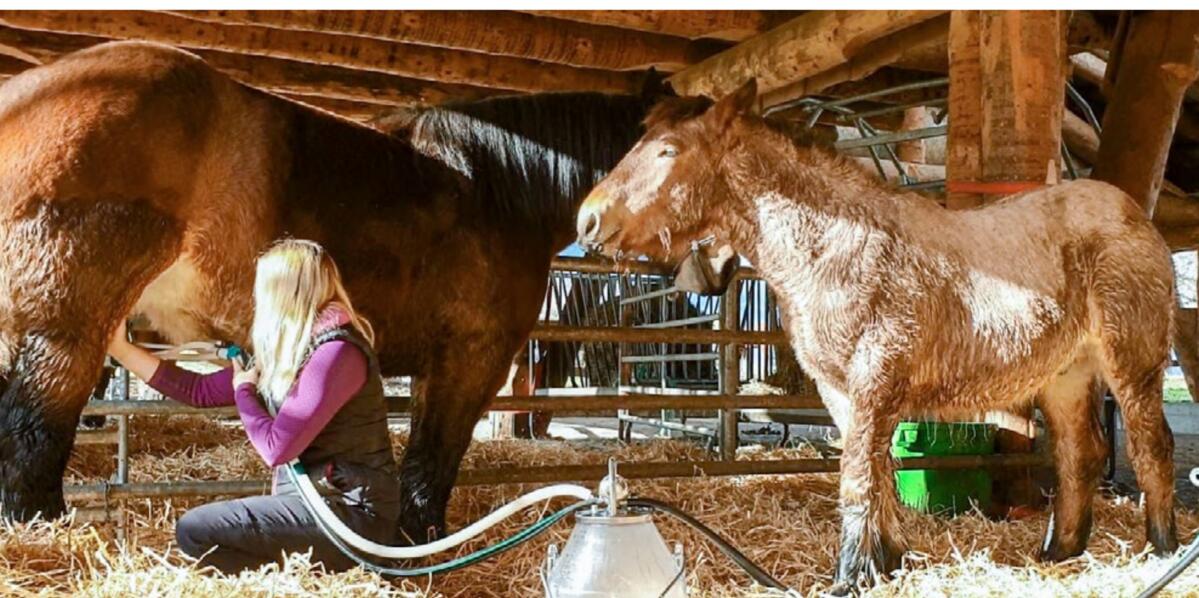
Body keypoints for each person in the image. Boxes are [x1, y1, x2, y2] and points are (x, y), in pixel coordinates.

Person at [107, 239, 399, 573]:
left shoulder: (336, 354)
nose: (256, 300)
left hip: (351, 516)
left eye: (261, 290)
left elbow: (278, 448)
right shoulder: (291, 353)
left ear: (283, 293)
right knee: (200, 535)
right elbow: (198, 390)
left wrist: (244, 391)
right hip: (316, 504)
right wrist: (119, 349)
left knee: (197, 531)